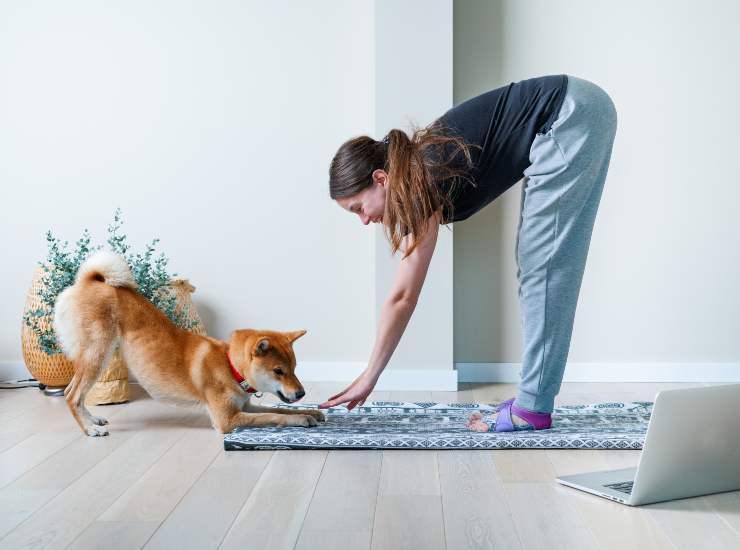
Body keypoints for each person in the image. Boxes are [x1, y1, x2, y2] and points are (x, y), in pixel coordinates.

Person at [318, 74, 618, 432]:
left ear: (380, 179)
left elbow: (402, 296)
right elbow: (404, 292)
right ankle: (532, 396)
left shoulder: (421, 179)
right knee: (538, 265)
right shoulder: (417, 173)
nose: (364, 220)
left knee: (546, 268)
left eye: (358, 208)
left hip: (569, 114)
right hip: (573, 110)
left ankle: (533, 407)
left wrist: (369, 376)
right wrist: (372, 374)